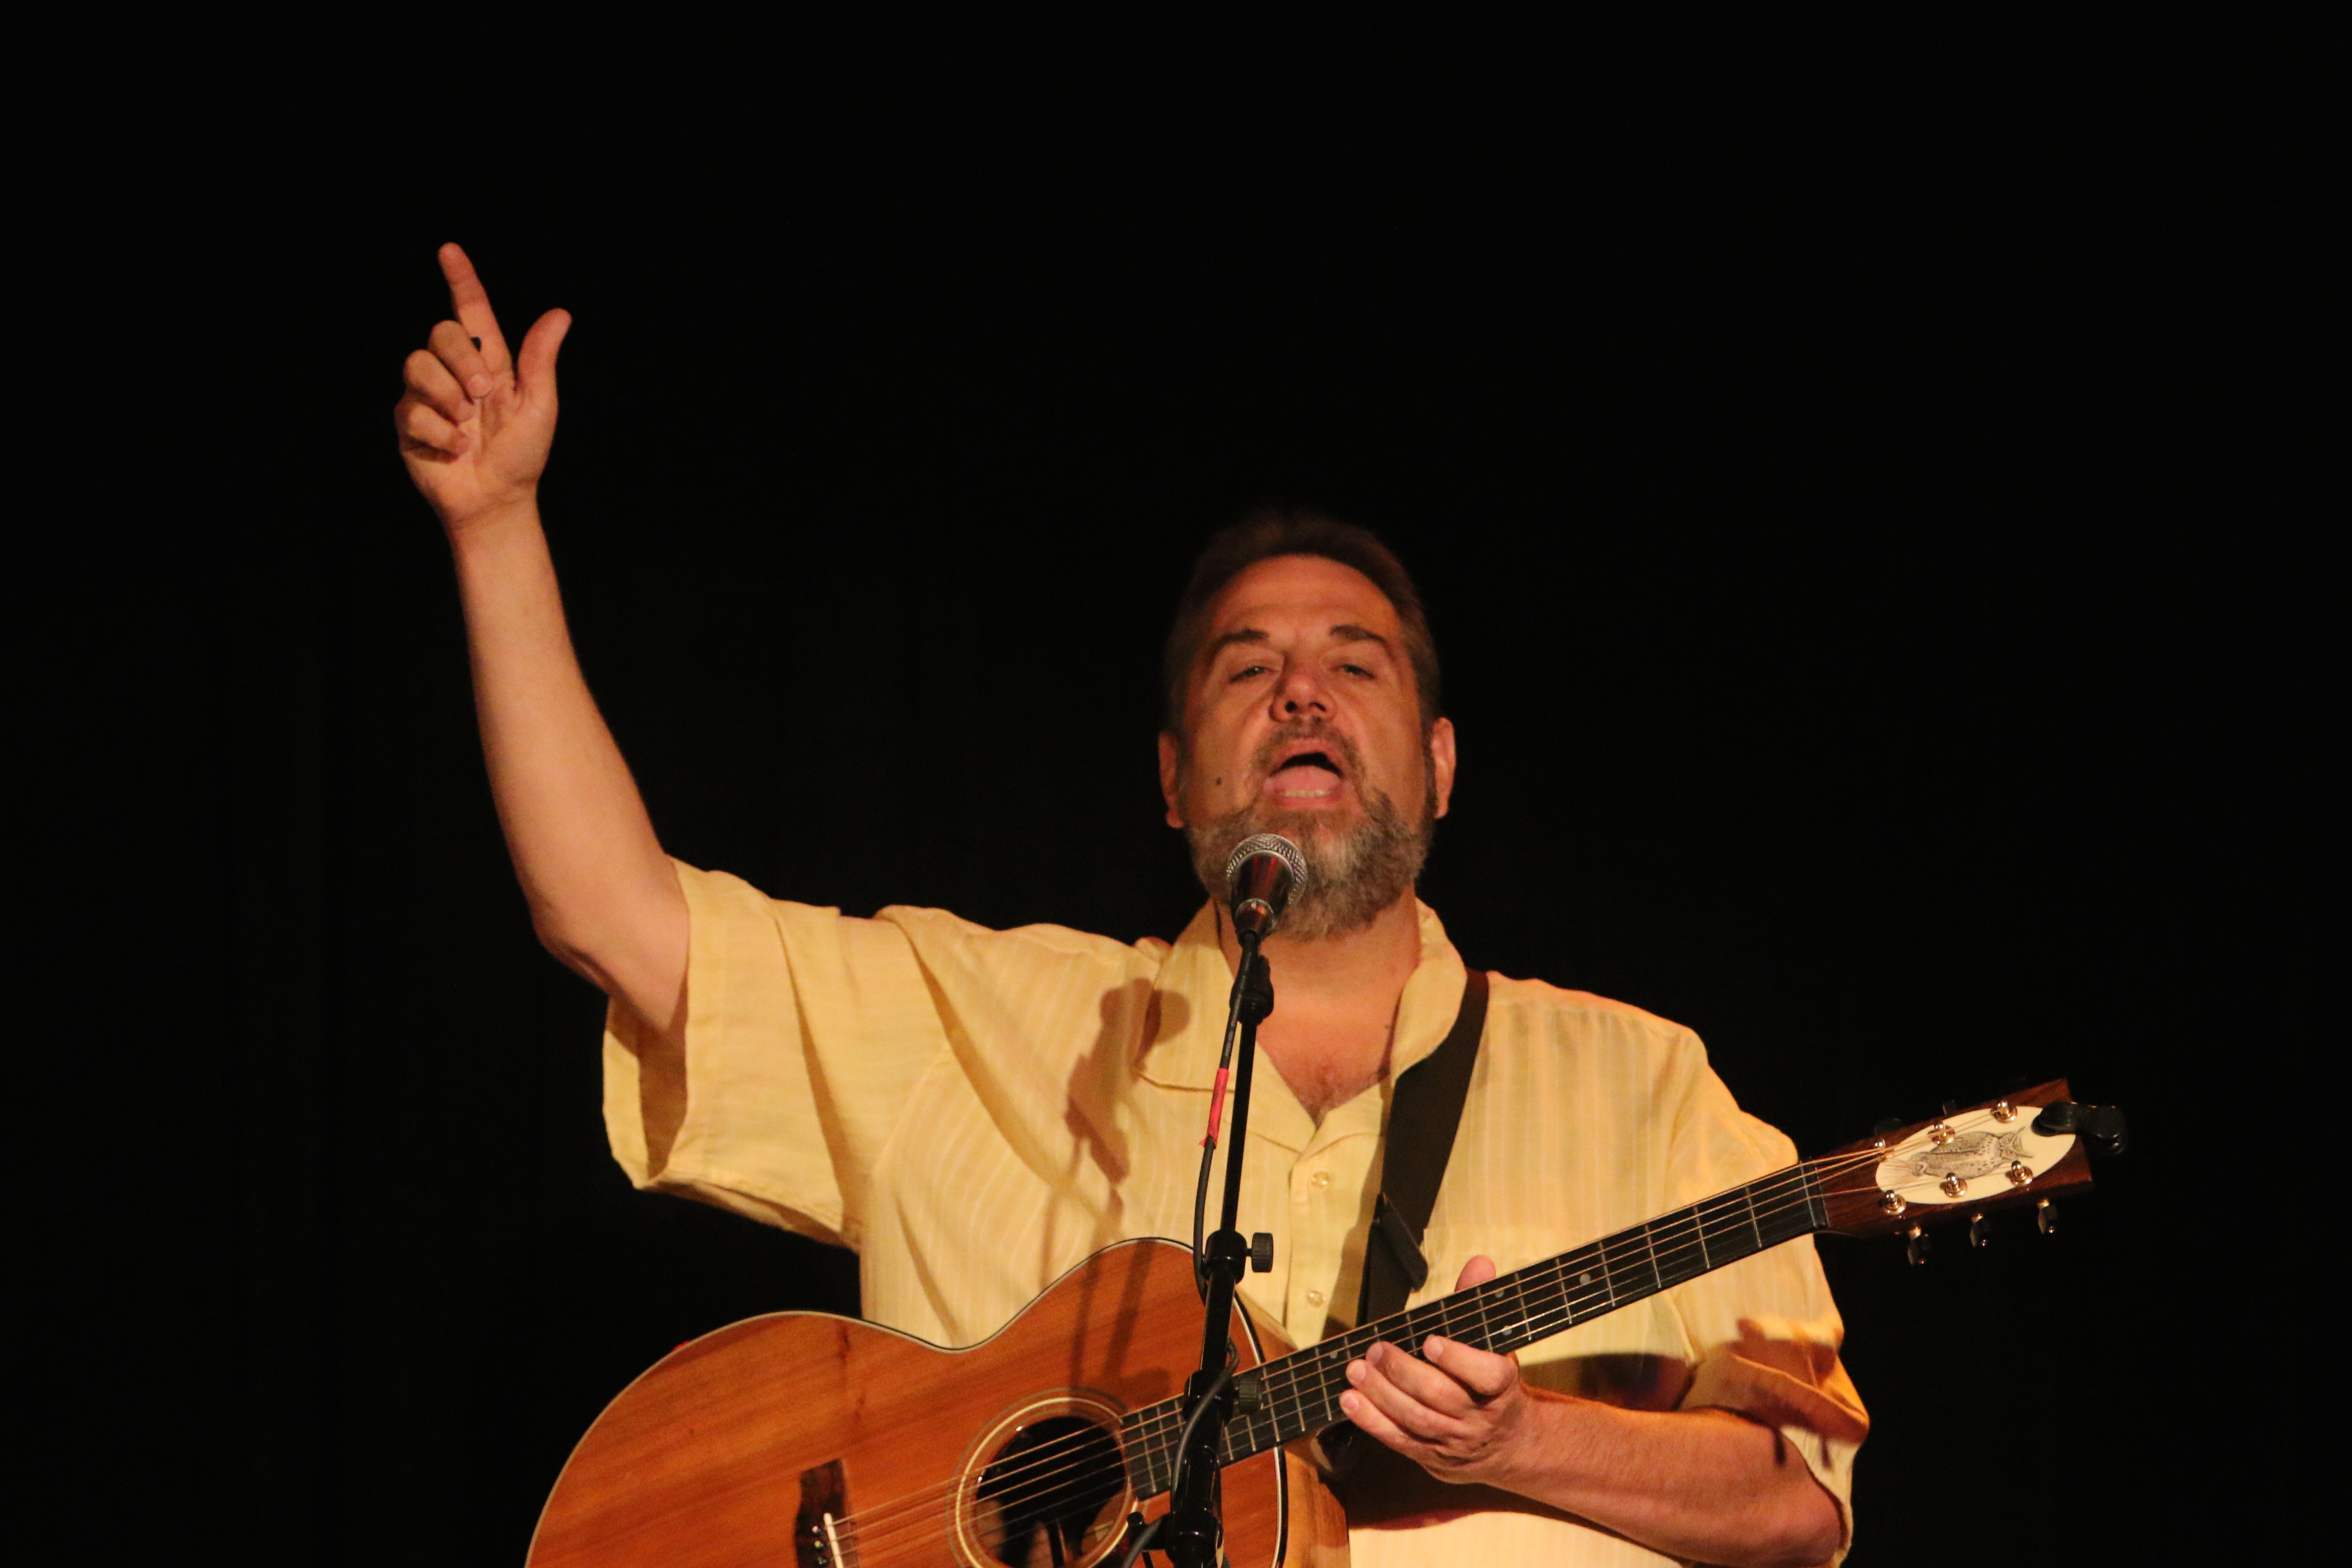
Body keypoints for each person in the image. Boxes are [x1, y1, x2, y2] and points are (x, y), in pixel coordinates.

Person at [395, 243, 1864, 1568]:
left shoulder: (1647, 1081)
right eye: (1247, 665)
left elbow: (1799, 1506)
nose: (1300, 686)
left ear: (1438, 763)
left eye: (1356, 664)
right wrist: (495, 524)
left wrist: (1521, 1439)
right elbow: (612, 915)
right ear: (1172, 780)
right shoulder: (981, 1014)